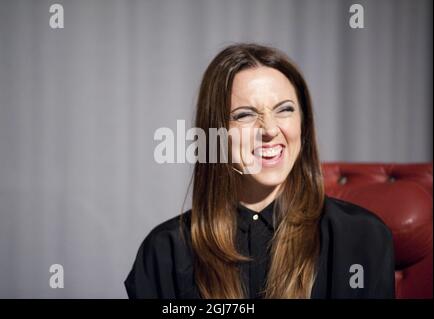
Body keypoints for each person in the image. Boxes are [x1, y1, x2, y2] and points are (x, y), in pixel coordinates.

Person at [124, 43, 395, 299]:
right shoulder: (164, 251)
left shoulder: (361, 237)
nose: (269, 130)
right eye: (245, 115)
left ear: (304, 124)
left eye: (284, 110)